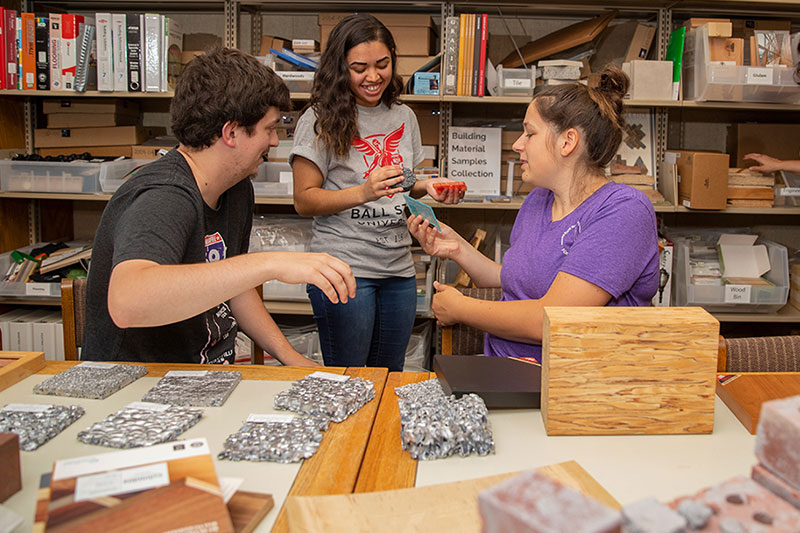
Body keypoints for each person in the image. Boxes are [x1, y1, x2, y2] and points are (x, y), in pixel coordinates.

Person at [82, 48, 356, 365]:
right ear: (231, 132)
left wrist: (289, 357)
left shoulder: (236, 189)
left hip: (207, 379)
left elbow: (234, 286)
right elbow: (127, 302)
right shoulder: (164, 195)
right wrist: (270, 263)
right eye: (269, 129)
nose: (275, 142)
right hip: (139, 393)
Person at [408, 68, 660, 363]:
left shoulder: (623, 212)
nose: (517, 144)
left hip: (569, 383)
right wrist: (457, 248)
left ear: (568, 142)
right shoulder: (539, 198)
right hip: (505, 368)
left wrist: (462, 308)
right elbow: (517, 279)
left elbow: (551, 318)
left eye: (529, 133)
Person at [290, 14, 464, 372]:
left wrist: (428, 186)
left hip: (398, 268)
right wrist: (363, 192)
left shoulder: (404, 116)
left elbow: (404, 181)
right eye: (359, 67)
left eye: (382, 65)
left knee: (389, 376)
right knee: (349, 378)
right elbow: (304, 199)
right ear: (340, 68)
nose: (373, 77)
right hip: (343, 269)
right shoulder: (318, 119)